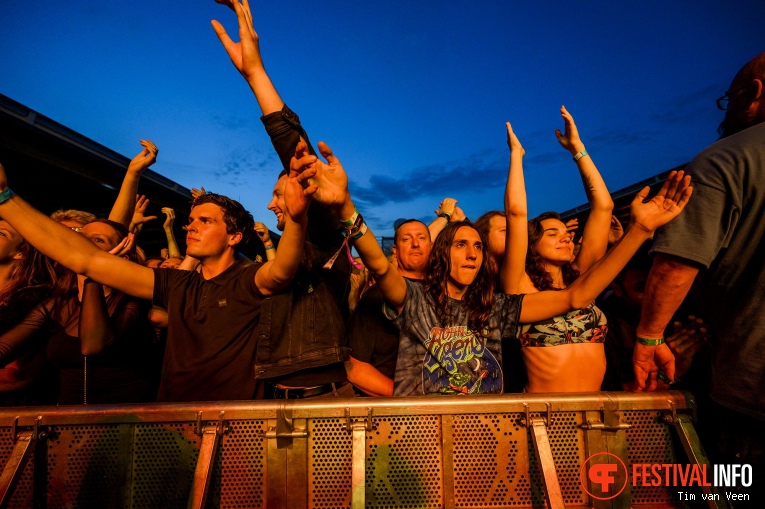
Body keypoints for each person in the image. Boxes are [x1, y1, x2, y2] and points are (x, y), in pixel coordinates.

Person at [289, 134, 692, 396]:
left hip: (486, 430)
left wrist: (640, 229)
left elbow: (578, 295)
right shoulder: (413, 300)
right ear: (443, 253)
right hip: (421, 431)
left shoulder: (497, 310)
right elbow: (378, 261)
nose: (472, 252)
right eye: (461, 244)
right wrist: (344, 205)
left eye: (478, 247)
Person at [0, 157, 316, 402]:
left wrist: (297, 219)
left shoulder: (248, 280)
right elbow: (86, 259)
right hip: (172, 420)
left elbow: (282, 269)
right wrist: (5, 197)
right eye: (191, 221)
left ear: (234, 236)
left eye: (205, 221)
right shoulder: (176, 284)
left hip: (234, 423)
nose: (191, 226)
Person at [213, 0, 353, 398]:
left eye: (280, 193)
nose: (273, 204)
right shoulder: (258, 268)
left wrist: (256, 75)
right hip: (270, 398)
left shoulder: (321, 240)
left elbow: (300, 155)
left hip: (321, 400)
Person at [635, 51, 765, 472]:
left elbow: (676, 264)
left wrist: (650, 338)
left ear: (754, 94)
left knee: (732, 493)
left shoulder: (727, 158)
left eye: (729, 101)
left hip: (752, 397)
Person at [504, 111, 613, 392]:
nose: (565, 238)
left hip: (598, 412)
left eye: (566, 234)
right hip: (546, 418)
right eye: (552, 234)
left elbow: (603, 207)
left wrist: (578, 150)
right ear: (531, 246)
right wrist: (517, 155)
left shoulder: (582, 279)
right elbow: (516, 214)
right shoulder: (520, 286)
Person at [0, 220, 157, 404]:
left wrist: (92, 275)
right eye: (80, 237)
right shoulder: (56, 304)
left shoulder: (133, 302)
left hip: (124, 421)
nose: (82, 243)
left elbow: (92, 346)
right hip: (69, 421)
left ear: (122, 257)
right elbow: (5, 347)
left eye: (98, 240)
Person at [345, 219, 433, 396]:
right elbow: (354, 368)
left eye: (421, 238)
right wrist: (405, 396)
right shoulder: (376, 297)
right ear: (395, 251)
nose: (415, 244)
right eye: (406, 239)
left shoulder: (443, 295)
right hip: (392, 413)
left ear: (432, 247)